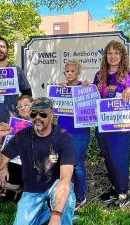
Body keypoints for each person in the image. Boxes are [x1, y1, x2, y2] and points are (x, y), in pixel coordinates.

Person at [0, 97, 76, 225]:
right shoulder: (22, 136)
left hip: (56, 186)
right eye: (34, 113)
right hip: (32, 189)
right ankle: (46, 211)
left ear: (52, 114)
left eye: (43, 113)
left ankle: (55, 212)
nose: (37, 117)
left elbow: (65, 178)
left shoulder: (63, 137)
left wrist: (57, 214)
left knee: (66, 199)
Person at [0, 37, 32, 200]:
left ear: (7, 49)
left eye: (2, 46)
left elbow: (27, 93)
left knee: (9, 157)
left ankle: (9, 189)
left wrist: (21, 106)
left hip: (11, 122)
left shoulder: (17, 71)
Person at [93, 40, 130, 207]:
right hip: (102, 126)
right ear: (106, 55)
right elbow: (92, 98)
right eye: (110, 53)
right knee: (108, 158)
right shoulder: (99, 75)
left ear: (122, 56)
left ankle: (123, 194)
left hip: (121, 128)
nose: (113, 56)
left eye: (117, 53)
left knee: (119, 159)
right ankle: (115, 188)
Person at [57, 60, 90, 209]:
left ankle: (81, 196)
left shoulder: (84, 87)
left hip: (80, 133)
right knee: (65, 165)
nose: (69, 73)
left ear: (78, 73)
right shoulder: (61, 88)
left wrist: (87, 88)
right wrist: (59, 89)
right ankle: (68, 194)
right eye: (67, 71)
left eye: (72, 71)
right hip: (62, 132)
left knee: (78, 166)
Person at [0, 95, 33, 201]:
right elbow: (5, 148)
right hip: (15, 162)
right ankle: (15, 189)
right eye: (20, 106)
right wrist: (3, 168)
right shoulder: (13, 125)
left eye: (26, 105)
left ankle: (24, 191)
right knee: (4, 180)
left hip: (34, 165)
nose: (23, 108)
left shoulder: (42, 124)